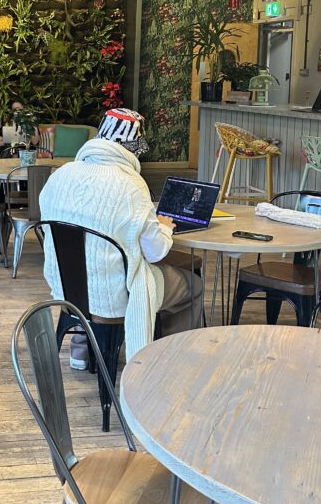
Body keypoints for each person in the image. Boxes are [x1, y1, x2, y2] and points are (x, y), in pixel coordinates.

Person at [38, 107, 202, 366]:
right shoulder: (131, 185)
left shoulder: (60, 174)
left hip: (65, 289)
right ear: (133, 148)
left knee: (88, 264)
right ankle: (170, 360)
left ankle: (81, 346)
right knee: (193, 286)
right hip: (113, 297)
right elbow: (155, 252)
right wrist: (164, 227)